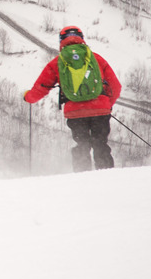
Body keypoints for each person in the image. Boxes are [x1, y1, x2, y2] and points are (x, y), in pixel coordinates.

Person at [23, 25, 121, 171]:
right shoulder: (96, 59)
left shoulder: (58, 62)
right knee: (100, 144)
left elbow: (42, 86)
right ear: (81, 39)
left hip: (75, 112)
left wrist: (28, 97)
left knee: (82, 145)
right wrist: (107, 104)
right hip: (100, 111)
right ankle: (106, 174)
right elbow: (115, 86)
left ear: (61, 41)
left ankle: (82, 176)